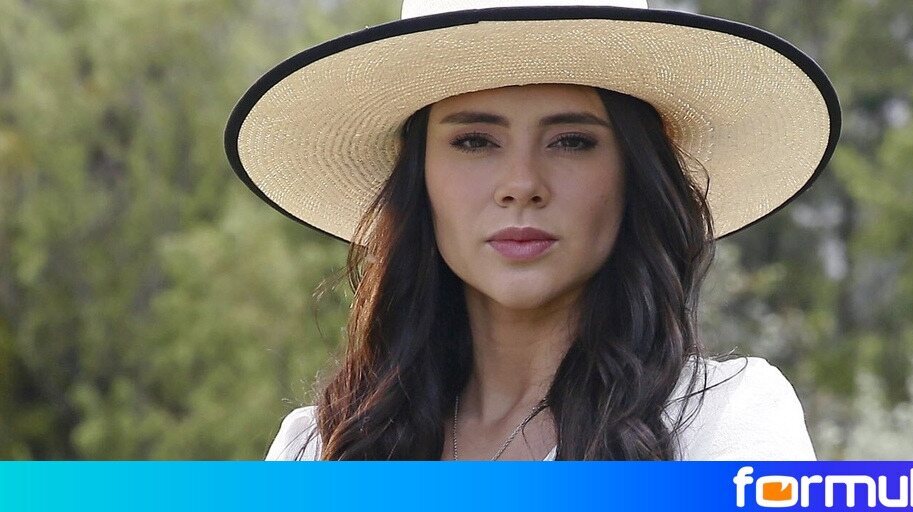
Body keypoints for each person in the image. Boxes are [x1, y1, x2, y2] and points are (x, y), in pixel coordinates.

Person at [225, 0, 840, 460]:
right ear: (420, 178)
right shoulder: (318, 449)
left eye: (571, 141)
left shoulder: (724, 421)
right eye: (475, 141)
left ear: (632, 173)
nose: (521, 183)